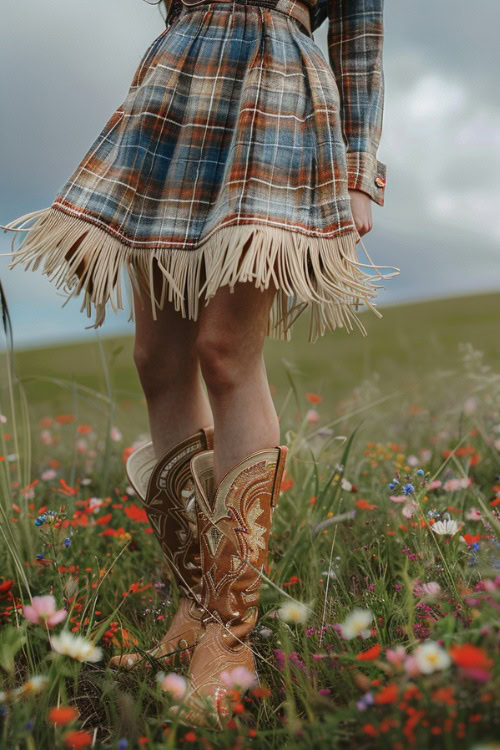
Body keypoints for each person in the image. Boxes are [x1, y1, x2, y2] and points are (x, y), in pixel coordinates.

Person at [1, 0, 399, 728]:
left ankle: (230, 635)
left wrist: (358, 171)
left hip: (276, 83)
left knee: (224, 351)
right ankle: (192, 610)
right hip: (181, 80)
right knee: (158, 355)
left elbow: (361, 34)